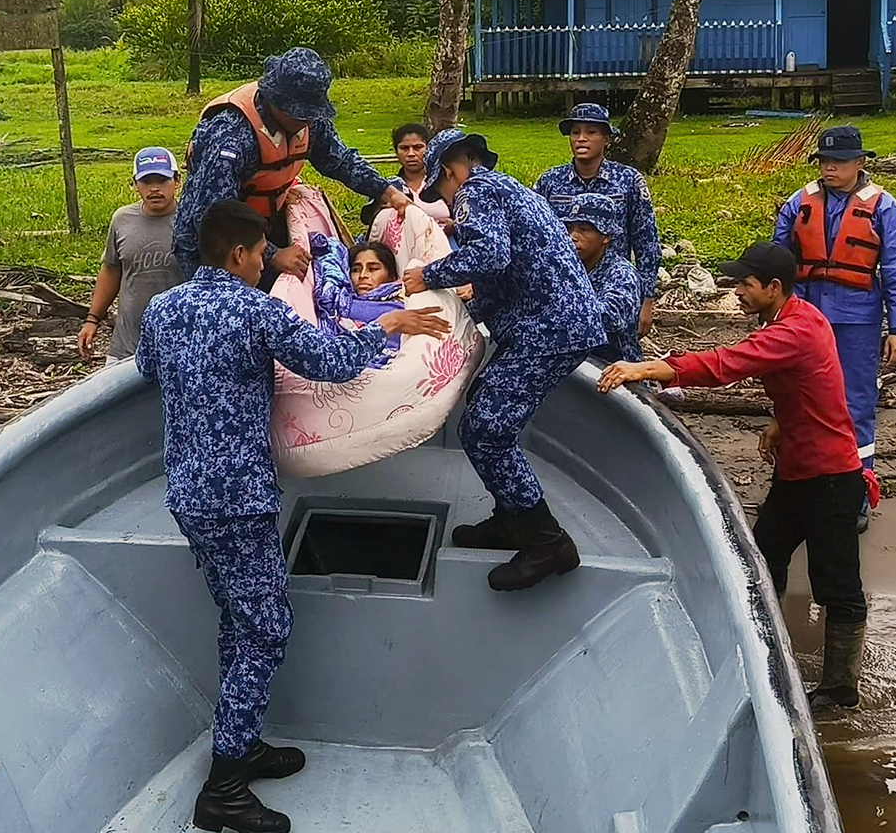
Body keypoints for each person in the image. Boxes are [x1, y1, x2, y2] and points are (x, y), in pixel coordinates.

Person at [137, 201, 449, 833]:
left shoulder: (164, 309)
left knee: (238, 617)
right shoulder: (254, 310)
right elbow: (330, 363)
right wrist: (389, 323)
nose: (263, 265)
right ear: (237, 255)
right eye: (259, 256)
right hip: (240, 498)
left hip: (189, 494)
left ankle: (241, 742)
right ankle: (223, 787)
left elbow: (147, 369)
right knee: (267, 628)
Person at [597, 242, 868, 713]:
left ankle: (840, 690)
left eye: (745, 284)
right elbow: (817, 378)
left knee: (838, 585)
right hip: (797, 471)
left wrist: (644, 368)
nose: (737, 291)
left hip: (829, 478)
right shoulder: (795, 318)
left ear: (774, 288)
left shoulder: (793, 331)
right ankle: (770, 659)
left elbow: (726, 365)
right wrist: (784, 421)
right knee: (763, 560)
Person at [402, 129, 605, 592]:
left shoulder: (476, 190)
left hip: (549, 330)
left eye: (442, 189)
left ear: (453, 168)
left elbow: (489, 256)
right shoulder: (509, 189)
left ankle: (546, 543)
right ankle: (511, 516)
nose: (448, 202)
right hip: (554, 324)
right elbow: (503, 275)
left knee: (485, 432)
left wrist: (425, 276)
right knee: (481, 405)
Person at [772, 125, 896, 533]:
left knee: (855, 405)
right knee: (795, 398)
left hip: (856, 318)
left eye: (839, 161)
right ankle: (796, 487)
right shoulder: (799, 203)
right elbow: (778, 264)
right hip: (805, 317)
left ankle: (854, 491)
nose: (830, 167)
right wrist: (774, 315)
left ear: (860, 163)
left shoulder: (884, 207)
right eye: (825, 161)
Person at [173, 48, 410, 291]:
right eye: (299, 114)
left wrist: (386, 191)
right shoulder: (231, 133)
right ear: (275, 100)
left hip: (260, 229)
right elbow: (212, 215)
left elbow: (339, 160)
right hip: (209, 245)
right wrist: (272, 255)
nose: (307, 121)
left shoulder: (309, 122)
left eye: (311, 114)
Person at [534, 103, 661, 339]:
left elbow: (647, 241)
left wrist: (647, 299)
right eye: (575, 132)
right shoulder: (549, 181)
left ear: (607, 139)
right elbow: (536, 237)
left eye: (591, 132)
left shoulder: (628, 181)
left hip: (612, 286)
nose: (581, 139)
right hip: (562, 287)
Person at [78, 147, 185, 365]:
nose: (154, 188)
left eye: (162, 180)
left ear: (177, 181)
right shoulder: (122, 220)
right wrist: (92, 319)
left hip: (180, 345)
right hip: (127, 345)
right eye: (146, 181)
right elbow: (111, 269)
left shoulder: (191, 221)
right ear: (135, 184)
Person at [562, 194, 643, 364]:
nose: (573, 236)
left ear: (606, 236)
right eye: (569, 228)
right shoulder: (564, 267)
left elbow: (608, 319)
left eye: (584, 230)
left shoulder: (622, 274)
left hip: (612, 373)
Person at [359, 123, 452, 229]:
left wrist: (453, 226)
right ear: (396, 152)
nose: (411, 154)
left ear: (429, 150)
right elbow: (371, 221)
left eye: (418, 147)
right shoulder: (388, 187)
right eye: (404, 148)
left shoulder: (444, 183)